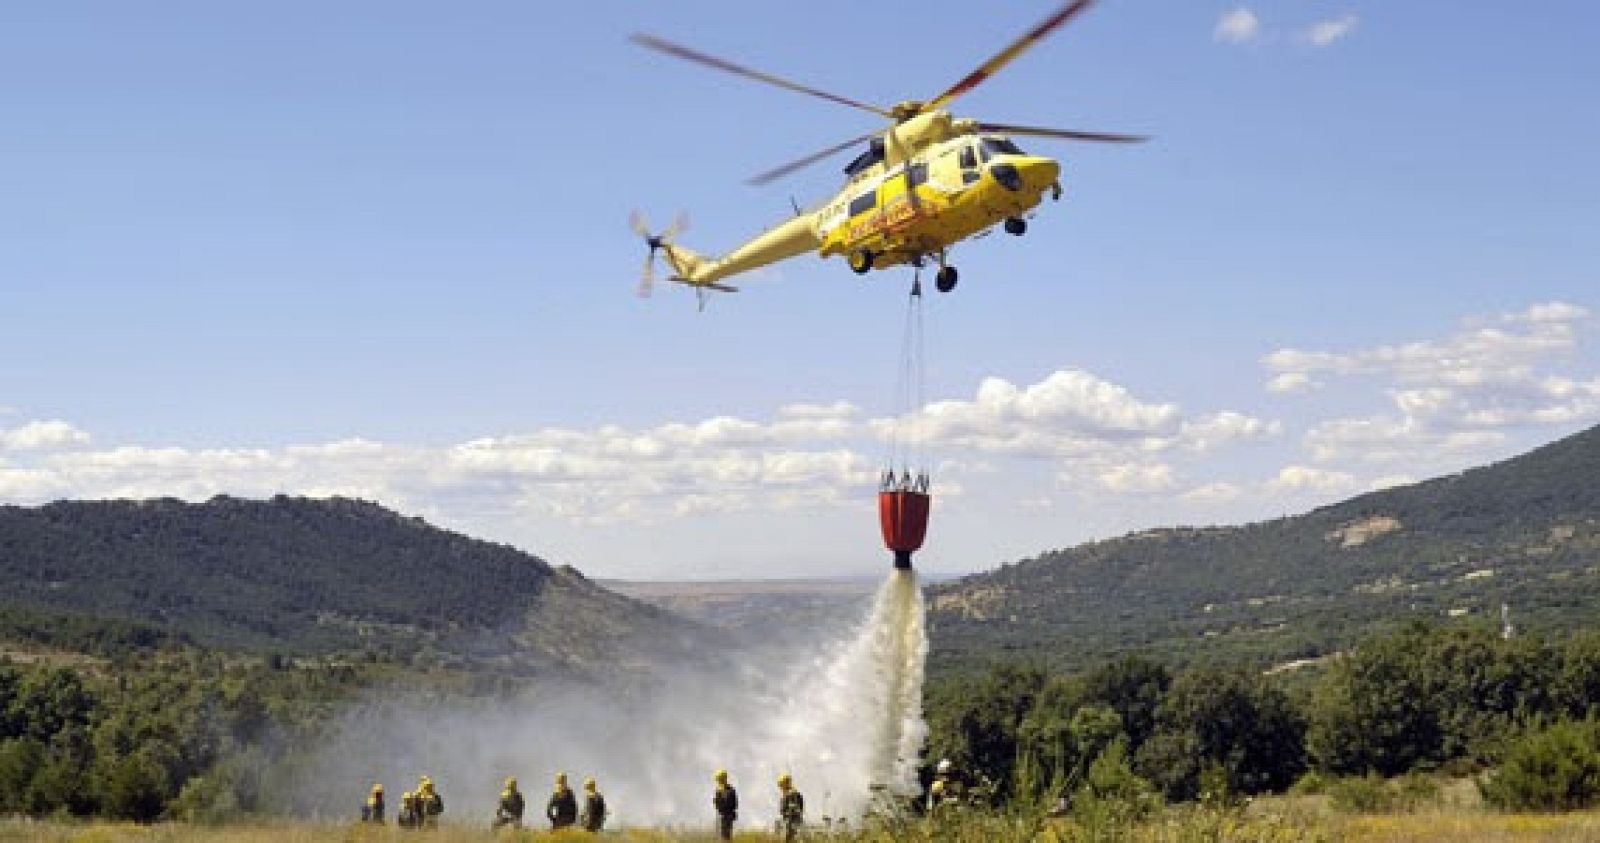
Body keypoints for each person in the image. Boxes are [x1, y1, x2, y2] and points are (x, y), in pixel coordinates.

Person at [777, 773, 804, 842]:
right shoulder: (787, 795)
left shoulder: (794, 794)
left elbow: (799, 808)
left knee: (789, 838)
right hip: (788, 820)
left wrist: (792, 809)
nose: (780, 787)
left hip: (792, 821)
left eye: (781, 785)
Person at [712, 768, 738, 840]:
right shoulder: (719, 790)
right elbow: (716, 803)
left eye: (719, 780)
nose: (718, 782)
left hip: (727, 816)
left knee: (726, 836)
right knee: (723, 836)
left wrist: (723, 806)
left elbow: (734, 804)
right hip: (722, 815)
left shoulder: (730, 790)